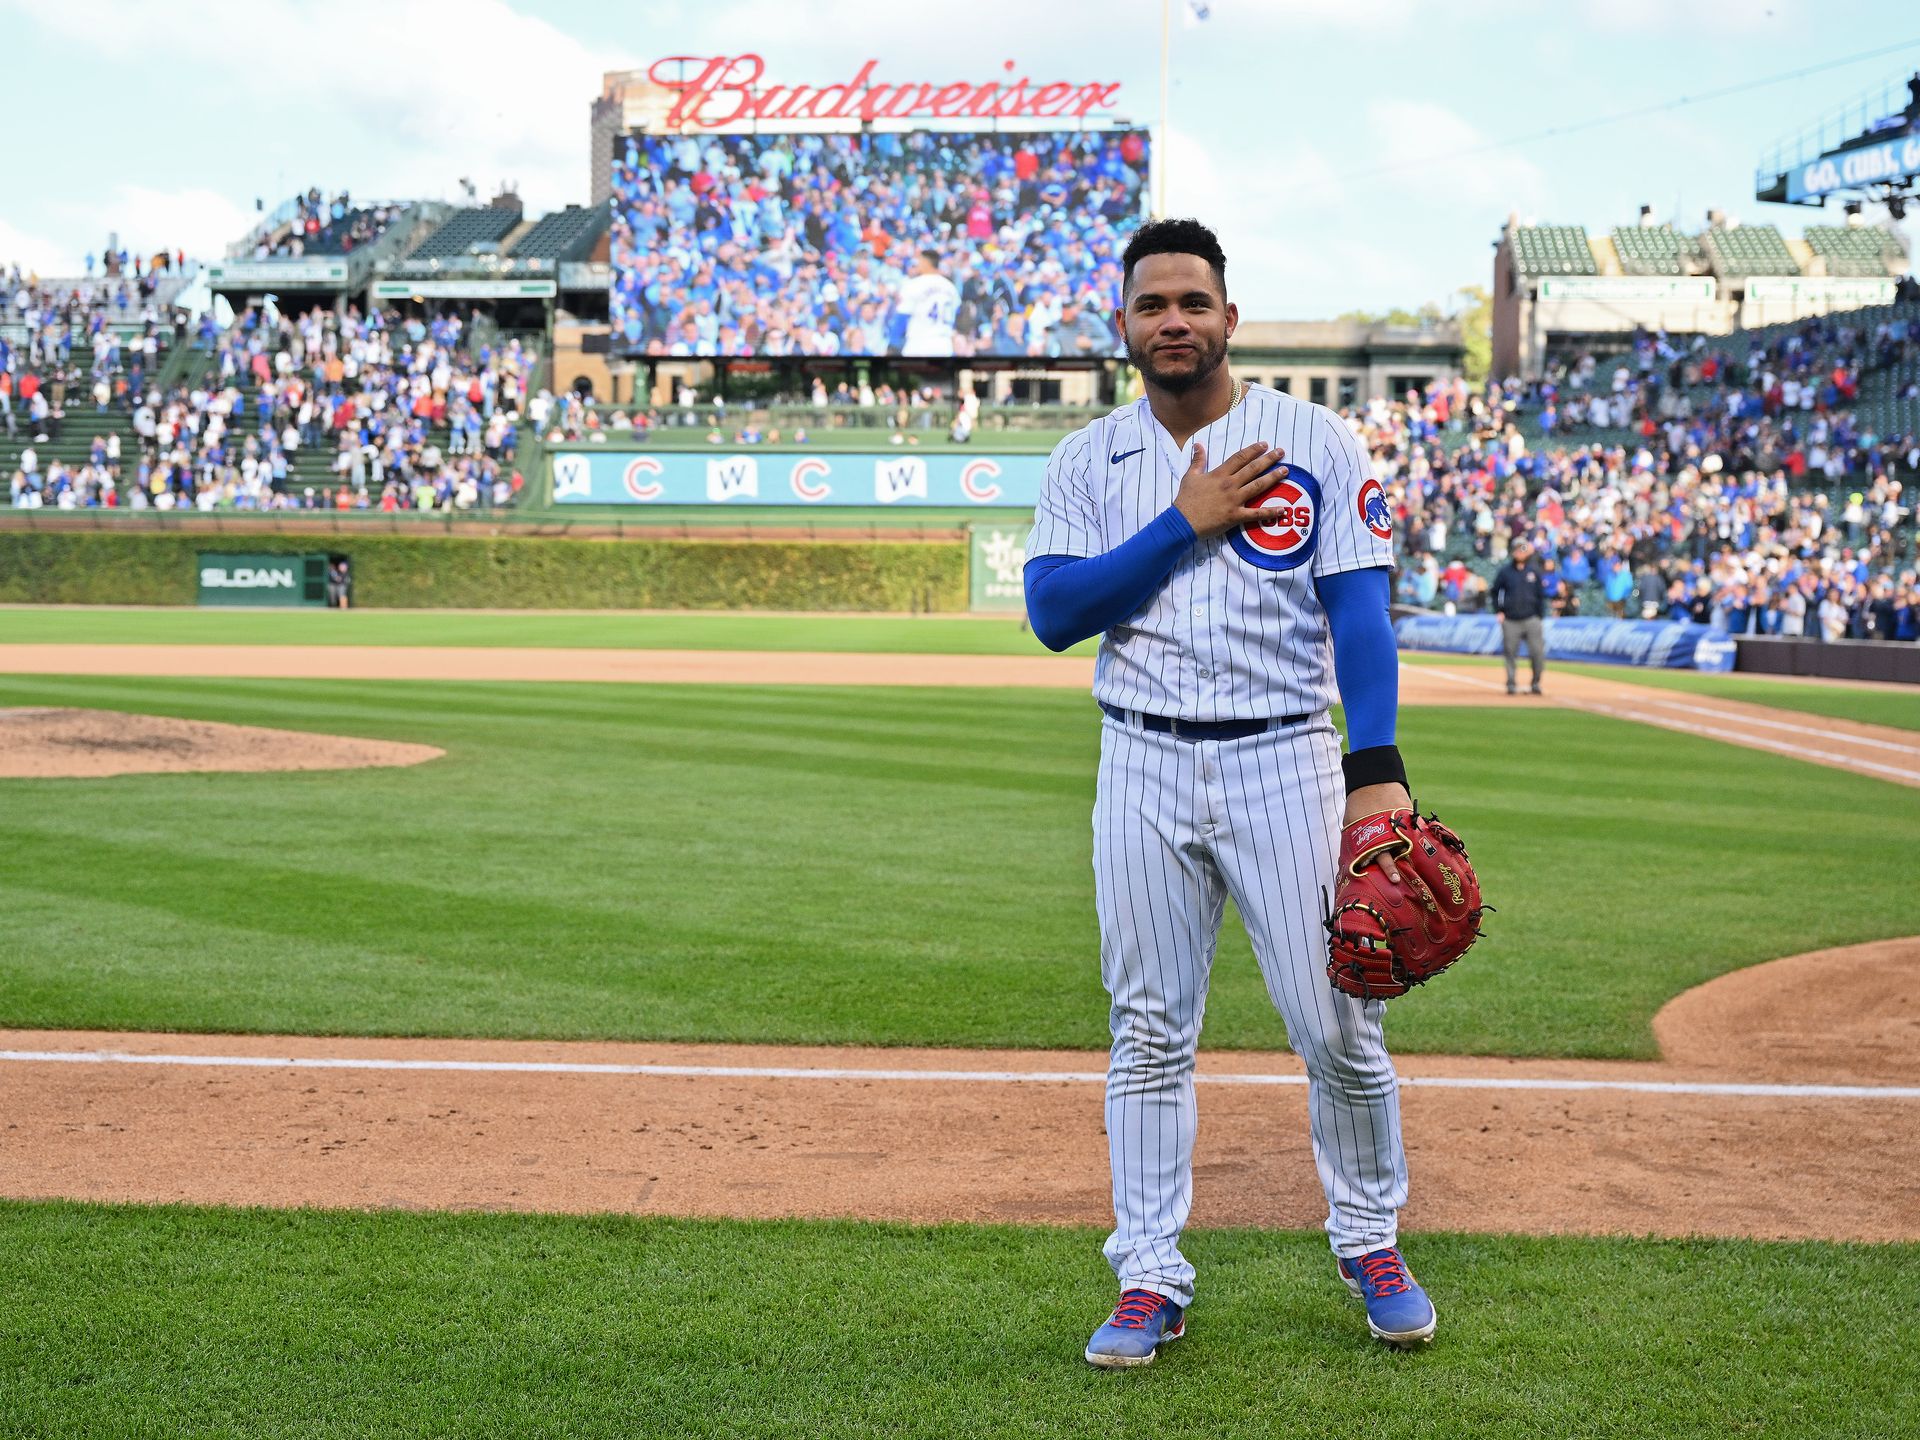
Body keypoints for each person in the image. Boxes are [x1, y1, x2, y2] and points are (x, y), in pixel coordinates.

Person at [1024, 218, 1435, 1365]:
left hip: (1286, 759)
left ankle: (1369, 1237)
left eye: (1192, 302)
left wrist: (1378, 775)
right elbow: (1056, 616)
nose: (1173, 322)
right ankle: (1149, 1275)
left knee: (1338, 1023)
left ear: (1228, 318)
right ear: (1125, 325)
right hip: (1141, 759)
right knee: (1149, 1030)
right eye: (1152, 305)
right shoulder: (1087, 461)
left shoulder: (1314, 439)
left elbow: (1361, 613)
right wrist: (1184, 522)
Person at [1491, 536, 1548, 695]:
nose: (1520, 552)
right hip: (1510, 619)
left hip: (1531, 618)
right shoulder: (1505, 572)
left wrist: (1539, 616)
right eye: (1517, 549)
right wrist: (1499, 610)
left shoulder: (1534, 571)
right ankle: (1511, 683)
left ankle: (1536, 683)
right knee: (1510, 652)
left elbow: (1541, 595)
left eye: (1522, 549)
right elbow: (1495, 592)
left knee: (1537, 652)